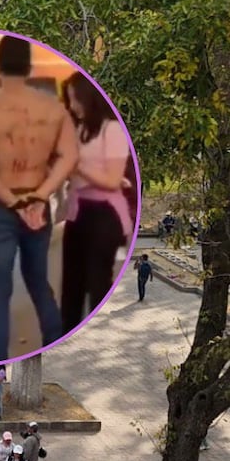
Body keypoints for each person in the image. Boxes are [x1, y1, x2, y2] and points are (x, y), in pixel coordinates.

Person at [0, 35, 78, 362]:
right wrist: (40, 195)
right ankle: (57, 352)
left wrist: (13, 201)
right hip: (37, 204)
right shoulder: (53, 109)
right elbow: (69, 156)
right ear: (29, 67)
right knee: (39, 282)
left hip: (1, 206)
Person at [59, 70, 133, 333]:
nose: (72, 106)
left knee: (97, 281)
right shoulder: (79, 130)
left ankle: (96, 335)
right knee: (71, 285)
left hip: (104, 215)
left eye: (74, 99)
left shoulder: (111, 130)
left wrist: (77, 165)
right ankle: (65, 333)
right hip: (77, 211)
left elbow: (111, 180)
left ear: (87, 98)